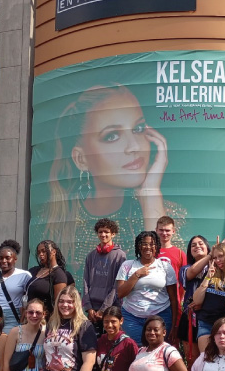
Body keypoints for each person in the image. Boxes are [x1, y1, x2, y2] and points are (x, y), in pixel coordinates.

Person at [31, 83, 185, 279]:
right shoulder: (52, 221)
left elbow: (165, 275)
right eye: (112, 136)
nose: (134, 146)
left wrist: (150, 194)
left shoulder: (172, 215)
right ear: (81, 158)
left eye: (138, 129)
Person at [116, 231, 178, 345]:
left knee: (158, 350)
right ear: (139, 246)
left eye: (152, 244)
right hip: (132, 318)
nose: (148, 247)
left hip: (161, 315)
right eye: (144, 244)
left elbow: (174, 299)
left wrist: (174, 325)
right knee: (136, 350)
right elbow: (120, 293)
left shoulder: (165, 267)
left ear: (157, 246)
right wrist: (136, 275)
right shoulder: (128, 265)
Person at [82, 218, 126, 336]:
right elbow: (85, 282)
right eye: (100, 232)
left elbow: (117, 286)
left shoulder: (120, 256)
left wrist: (104, 309)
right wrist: (89, 308)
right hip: (93, 309)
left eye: (106, 232)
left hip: (111, 308)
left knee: (111, 339)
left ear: (113, 234)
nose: (103, 234)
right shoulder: (91, 256)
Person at [192, 242, 225, 352]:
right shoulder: (211, 274)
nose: (218, 260)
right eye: (215, 258)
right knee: (206, 360)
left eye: (221, 256)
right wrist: (208, 277)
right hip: (206, 323)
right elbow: (197, 300)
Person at [178, 234, 210, 359]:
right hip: (190, 318)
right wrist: (210, 255)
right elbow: (191, 273)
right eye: (193, 245)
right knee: (192, 359)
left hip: (210, 318)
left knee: (209, 358)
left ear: (207, 247)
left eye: (201, 243)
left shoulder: (217, 268)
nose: (197, 246)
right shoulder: (185, 269)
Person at [25, 240, 71, 317]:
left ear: (53, 252)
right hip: (30, 317)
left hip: (46, 320)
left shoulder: (59, 274)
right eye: (39, 252)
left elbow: (58, 303)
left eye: (44, 251)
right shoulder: (34, 270)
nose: (41, 254)